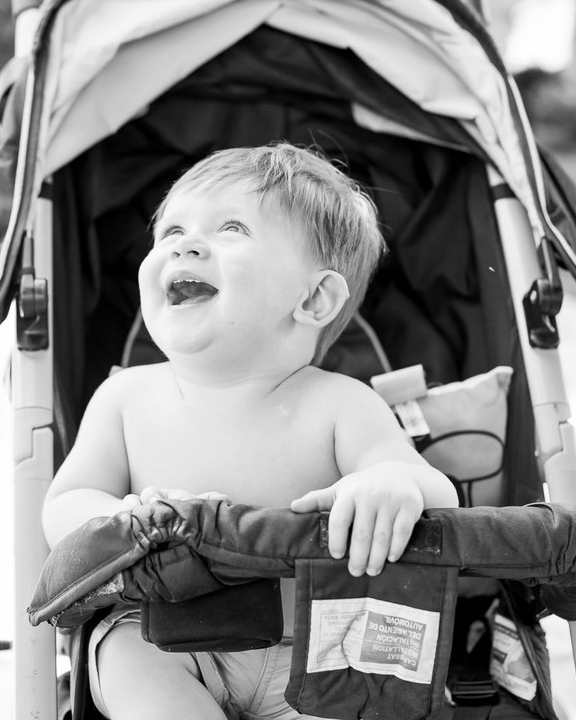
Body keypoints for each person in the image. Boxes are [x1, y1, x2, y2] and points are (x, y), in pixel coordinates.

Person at [41, 143, 459, 720]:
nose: (185, 245)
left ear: (314, 298)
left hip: (320, 653)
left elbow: (436, 491)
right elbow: (64, 503)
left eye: (231, 229)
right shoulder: (125, 399)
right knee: (126, 654)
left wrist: (393, 483)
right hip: (163, 637)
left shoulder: (341, 404)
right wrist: (122, 519)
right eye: (172, 232)